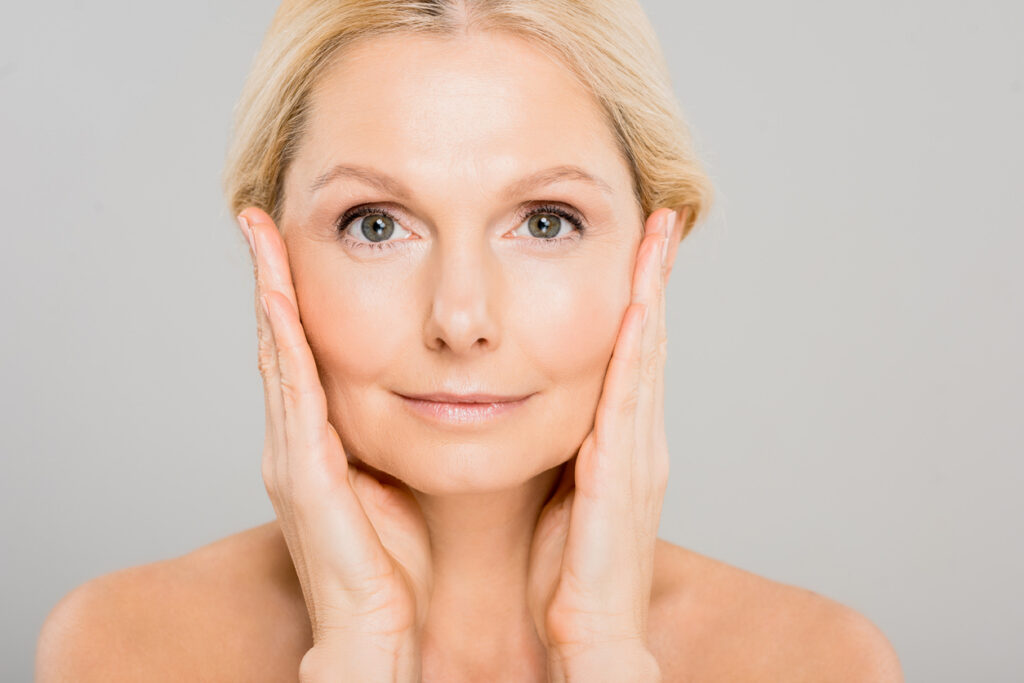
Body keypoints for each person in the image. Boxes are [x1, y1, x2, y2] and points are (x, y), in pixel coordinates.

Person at [37, 1, 903, 681]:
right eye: (375, 225)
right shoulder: (124, 649)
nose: (460, 318)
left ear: (653, 255)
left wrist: (603, 650)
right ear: (270, 253)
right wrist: (358, 649)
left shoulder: (817, 663)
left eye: (546, 220)